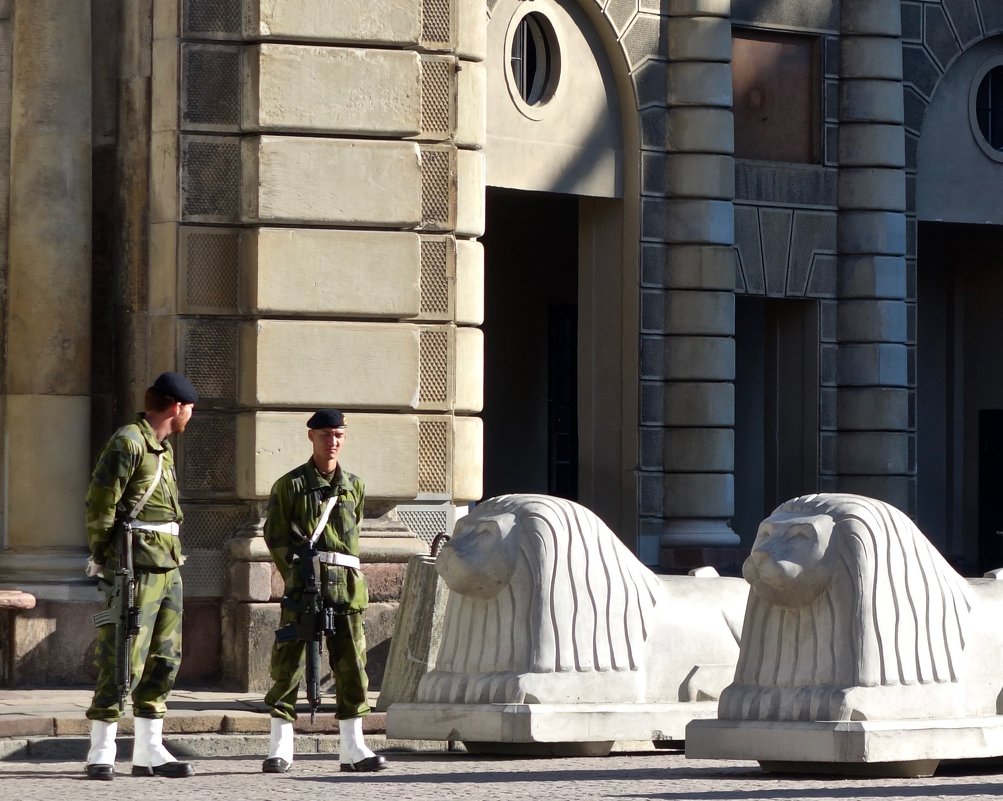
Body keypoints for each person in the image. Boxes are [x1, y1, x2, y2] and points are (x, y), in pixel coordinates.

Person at [84, 371, 198, 780]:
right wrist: (102, 556)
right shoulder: (128, 442)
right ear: (176, 406)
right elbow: (101, 504)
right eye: (190, 409)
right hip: (133, 567)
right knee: (121, 653)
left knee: (166, 656)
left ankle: (150, 749)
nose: (190, 417)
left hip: (167, 564)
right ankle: (102, 748)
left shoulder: (161, 449)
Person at [261, 409, 386, 774]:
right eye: (325, 435)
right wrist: (299, 576)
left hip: (346, 591)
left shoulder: (354, 487)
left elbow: (351, 539)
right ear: (311, 437)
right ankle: (280, 747)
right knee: (288, 666)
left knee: (352, 670)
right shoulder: (290, 486)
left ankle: (353, 748)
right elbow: (276, 537)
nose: (332, 442)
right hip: (304, 589)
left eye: (338, 435)